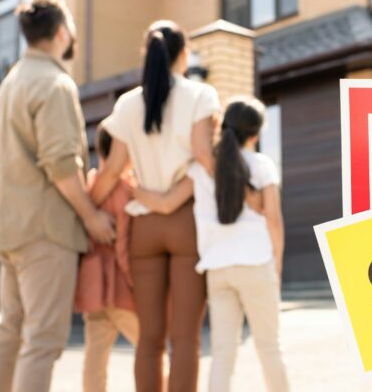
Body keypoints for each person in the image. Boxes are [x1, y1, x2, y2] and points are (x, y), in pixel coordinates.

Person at [0, 0, 116, 392]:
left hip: (6, 228)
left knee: (8, 332)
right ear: (60, 33)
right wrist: (92, 218)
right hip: (44, 231)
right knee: (42, 341)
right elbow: (60, 164)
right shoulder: (55, 84)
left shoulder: (9, 84)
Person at [91, 20, 218, 392]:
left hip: (143, 227)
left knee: (149, 338)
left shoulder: (128, 104)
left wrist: (86, 211)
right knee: (186, 339)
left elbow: (114, 170)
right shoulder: (200, 95)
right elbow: (202, 155)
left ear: (147, 54)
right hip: (186, 224)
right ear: (184, 53)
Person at [137, 97, 289, 392]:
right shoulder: (262, 165)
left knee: (222, 355)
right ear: (255, 134)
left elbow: (168, 203)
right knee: (269, 347)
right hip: (257, 262)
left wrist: (133, 189)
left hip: (217, 269)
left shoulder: (201, 170)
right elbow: (274, 220)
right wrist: (278, 262)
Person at [76, 124, 139, 392]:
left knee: (95, 357)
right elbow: (123, 245)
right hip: (120, 286)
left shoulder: (89, 184)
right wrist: (136, 283)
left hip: (92, 285)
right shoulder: (125, 189)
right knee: (150, 347)